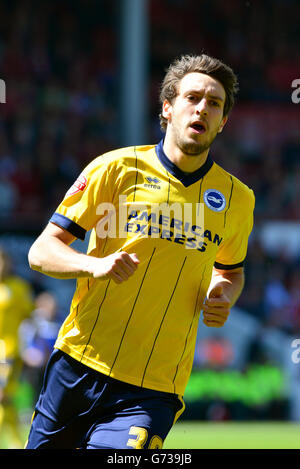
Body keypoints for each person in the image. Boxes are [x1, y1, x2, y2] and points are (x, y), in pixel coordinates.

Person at [25, 54, 255, 449]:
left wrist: (225, 294)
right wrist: (93, 265)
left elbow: (231, 270)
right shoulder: (114, 169)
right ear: (168, 107)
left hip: (153, 389)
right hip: (78, 364)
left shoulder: (237, 199)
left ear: (223, 122)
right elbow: (41, 251)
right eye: (193, 97)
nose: (202, 107)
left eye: (214, 103)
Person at [0, 248, 34, 448]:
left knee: (3, 395)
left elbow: (30, 316)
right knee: (6, 400)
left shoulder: (17, 288)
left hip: (7, 351)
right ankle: (15, 442)